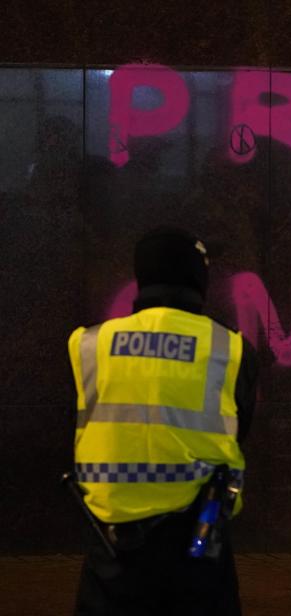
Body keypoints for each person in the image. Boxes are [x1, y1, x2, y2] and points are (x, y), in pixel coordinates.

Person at [68, 227, 257, 615]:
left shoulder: (88, 344)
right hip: (200, 542)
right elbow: (242, 433)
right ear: (197, 278)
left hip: (112, 548)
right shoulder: (229, 348)